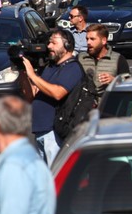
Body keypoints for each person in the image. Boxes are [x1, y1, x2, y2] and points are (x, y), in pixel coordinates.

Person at [18, 28, 84, 165]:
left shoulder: (72, 68)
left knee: (54, 176)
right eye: (49, 43)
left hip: (54, 132)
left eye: (54, 43)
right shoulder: (50, 68)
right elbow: (31, 96)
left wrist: (32, 75)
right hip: (40, 130)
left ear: (67, 46)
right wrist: (23, 73)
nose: (49, 47)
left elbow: (58, 93)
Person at [78, 23, 130, 100]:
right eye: (87, 39)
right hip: (84, 106)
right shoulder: (81, 58)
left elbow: (128, 84)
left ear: (103, 41)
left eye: (92, 39)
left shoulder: (118, 59)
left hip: (107, 106)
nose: (88, 42)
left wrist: (114, 80)